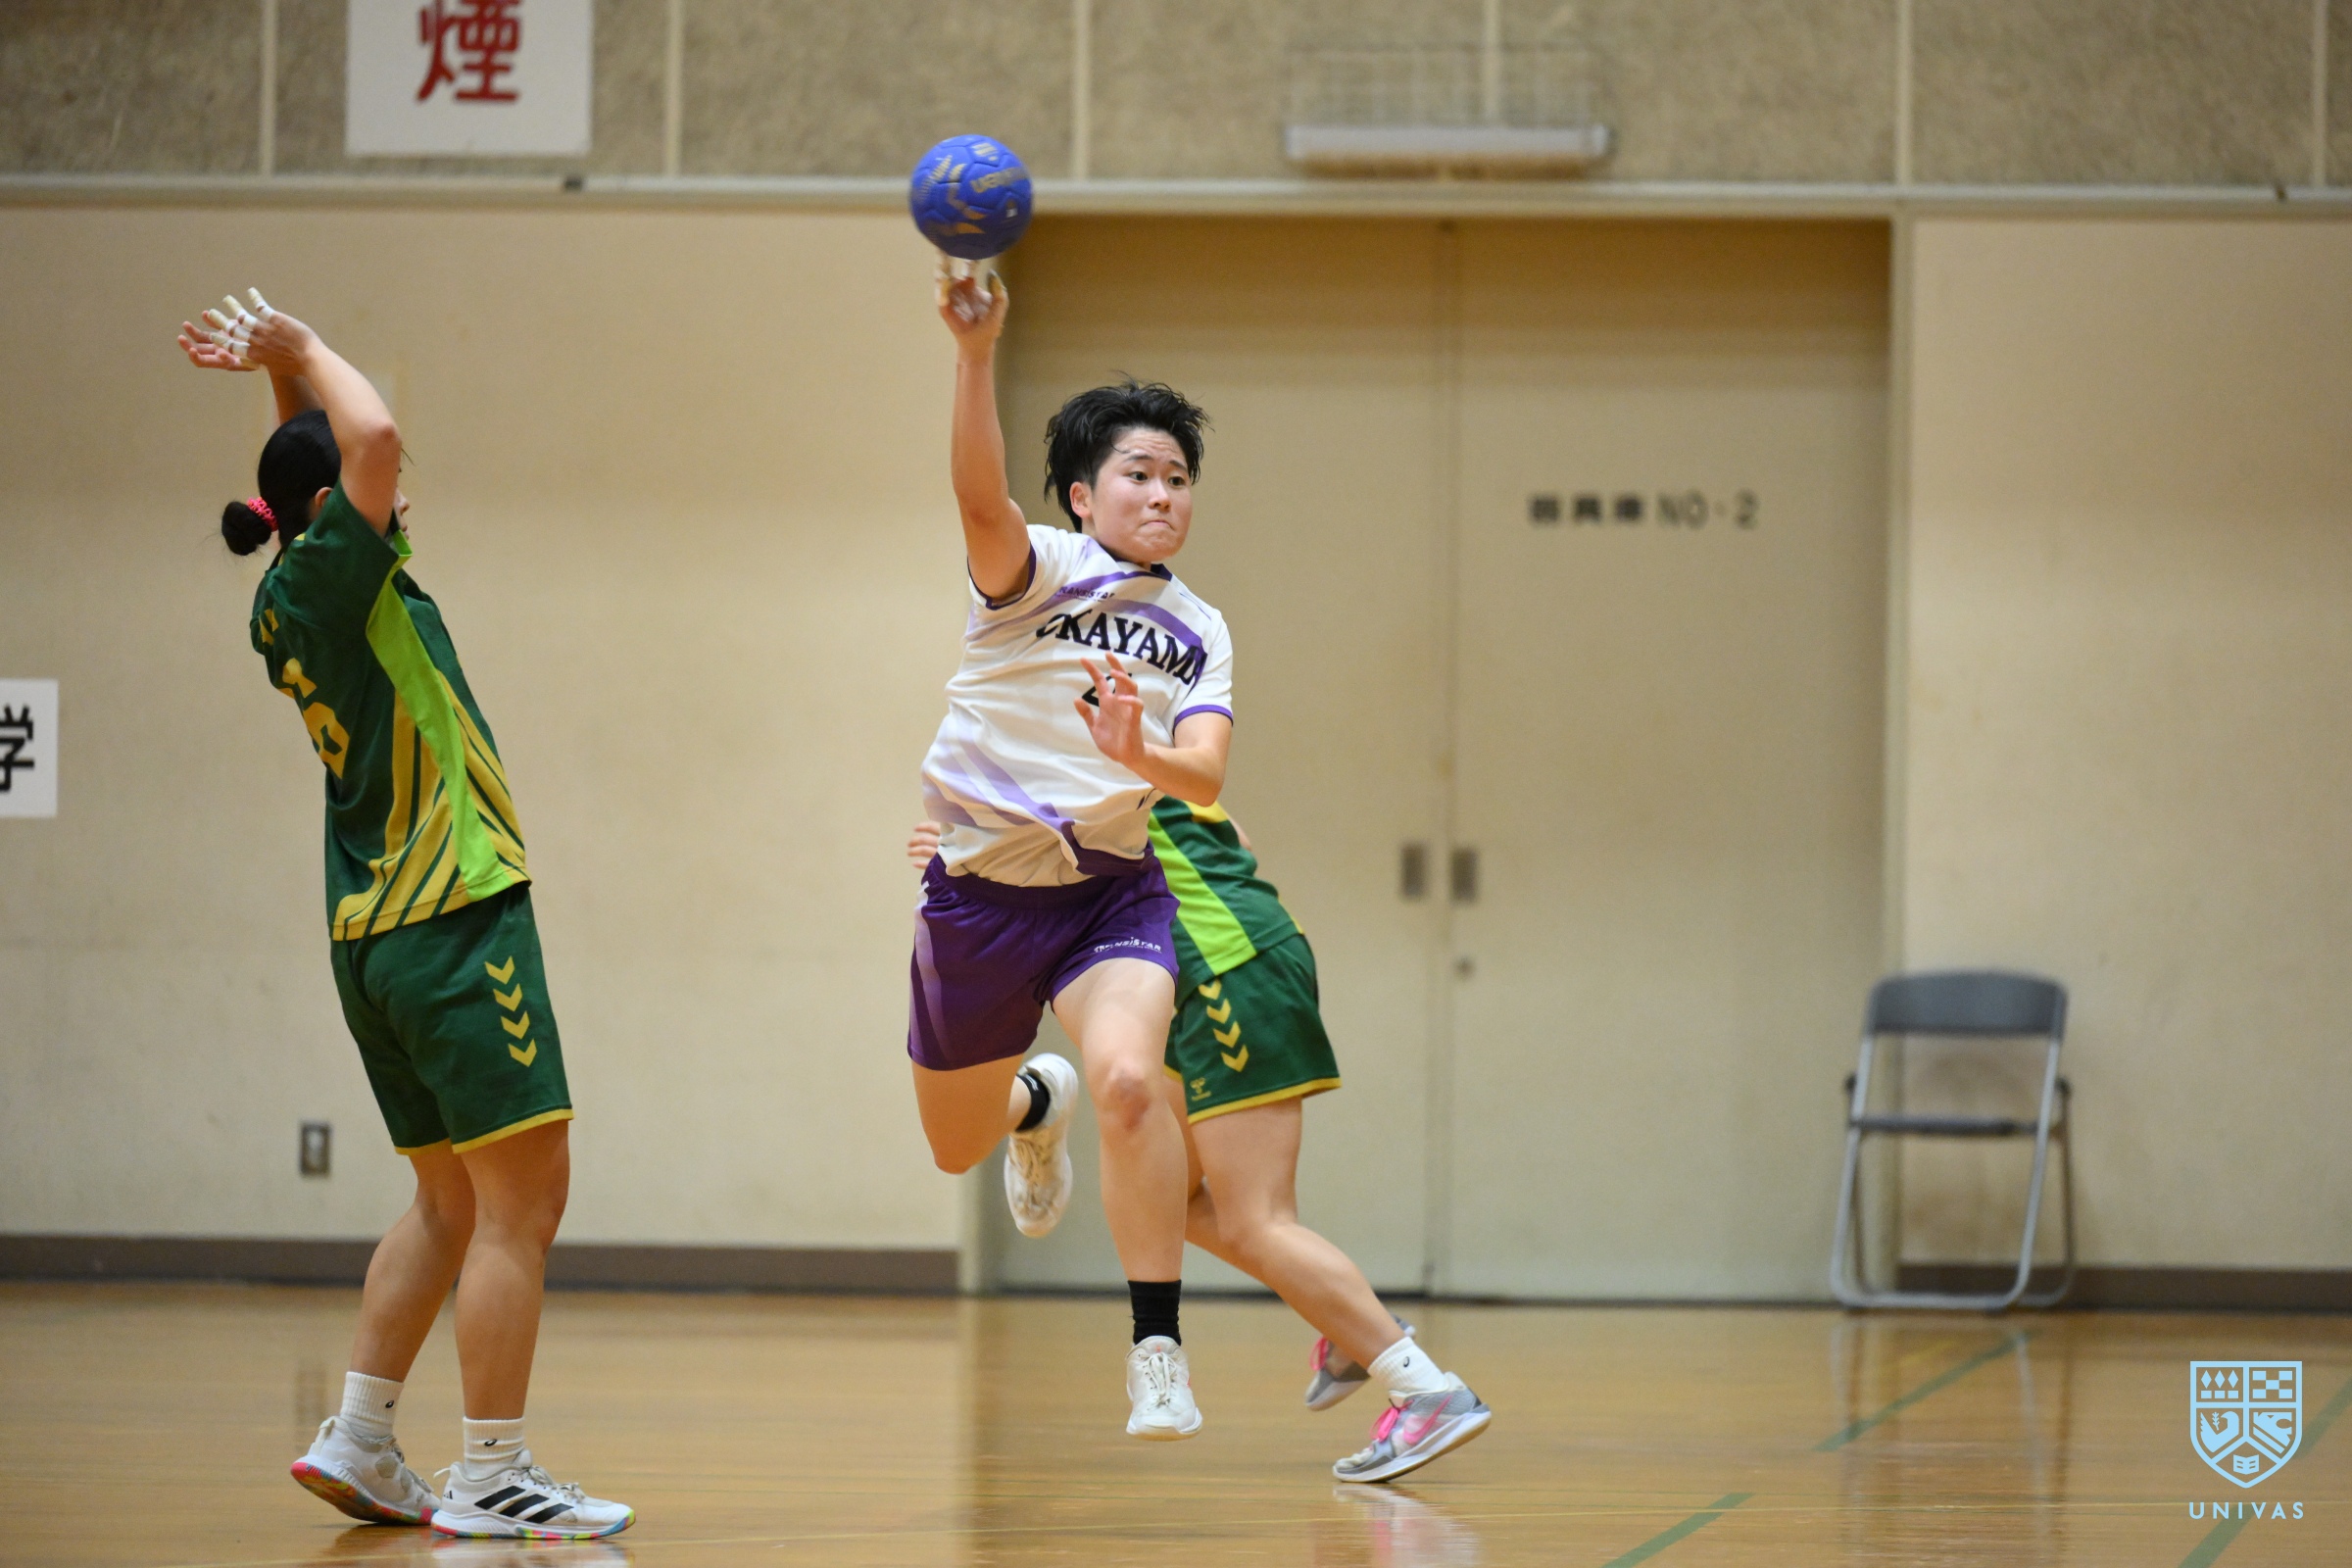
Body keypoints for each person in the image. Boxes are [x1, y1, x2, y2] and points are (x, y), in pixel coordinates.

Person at [176, 293, 631, 1540]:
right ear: (333, 510)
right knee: (524, 1204)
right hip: (453, 917)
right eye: (379, 487)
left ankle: (361, 1437)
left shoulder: (288, 592)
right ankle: (494, 1471)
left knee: (447, 1203)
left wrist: (281, 389)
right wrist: (298, 344)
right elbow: (366, 439)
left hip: (374, 937)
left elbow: (325, 460)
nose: (402, 487)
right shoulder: (338, 566)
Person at [910, 800, 1492, 1483]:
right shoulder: (1151, 765)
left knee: (1256, 1221)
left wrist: (968, 855)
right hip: (1235, 962)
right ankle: (1351, 1319)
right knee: (1169, 1197)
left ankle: (1426, 1391)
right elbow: (1238, 839)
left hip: (1224, 972)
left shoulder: (1085, 769)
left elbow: (1041, 868)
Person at [910, 265, 1233, 1440]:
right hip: (980, 899)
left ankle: (1157, 1350)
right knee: (955, 1148)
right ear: (1085, 497)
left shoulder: (1200, 628)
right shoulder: (1035, 570)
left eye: (1179, 477)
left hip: (1110, 894)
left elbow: (1205, 775)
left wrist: (1140, 753)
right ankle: (1027, 1099)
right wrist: (974, 354)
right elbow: (977, 494)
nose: (1163, 494)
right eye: (1139, 474)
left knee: (1133, 1082)